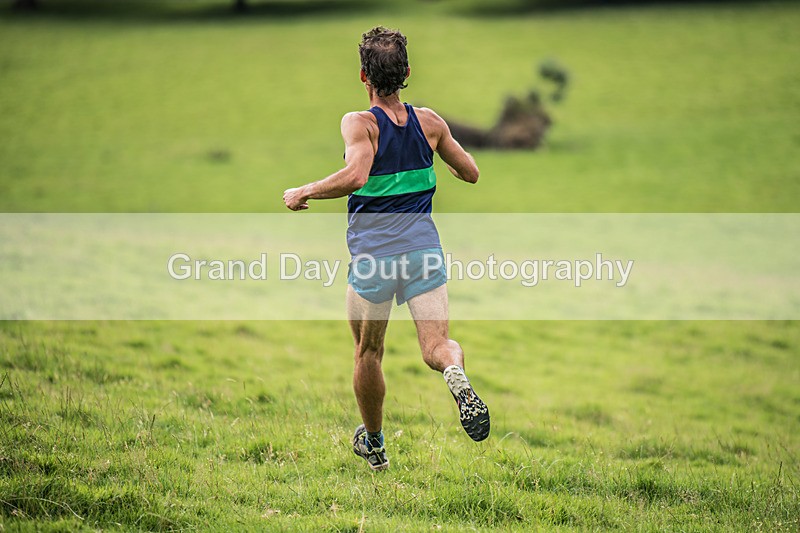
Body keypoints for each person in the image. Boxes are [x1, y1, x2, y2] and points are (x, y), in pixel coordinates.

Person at [283, 26, 489, 471]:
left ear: (363, 76)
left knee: (369, 352)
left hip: (375, 259)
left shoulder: (359, 124)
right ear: (408, 72)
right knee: (437, 345)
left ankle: (374, 445)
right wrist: (438, 164)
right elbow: (470, 172)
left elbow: (356, 176)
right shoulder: (430, 122)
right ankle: (455, 372)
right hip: (424, 252)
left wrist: (306, 190)